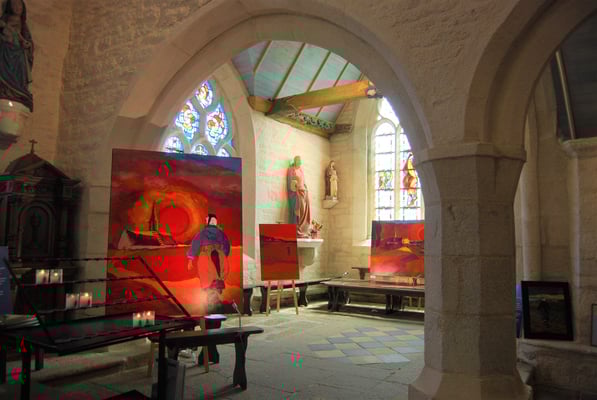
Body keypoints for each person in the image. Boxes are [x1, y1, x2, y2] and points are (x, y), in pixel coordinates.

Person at [0, 0, 33, 112]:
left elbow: (26, 39)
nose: (17, 7)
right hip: (5, 50)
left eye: (19, 5)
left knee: (20, 67)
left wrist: (27, 45)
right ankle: (5, 90)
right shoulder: (4, 20)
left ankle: (16, 92)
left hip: (18, 54)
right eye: (14, 4)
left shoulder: (23, 25)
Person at [187, 213, 230, 298]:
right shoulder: (221, 233)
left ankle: (211, 295)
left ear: (208, 221)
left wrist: (190, 259)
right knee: (219, 273)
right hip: (219, 256)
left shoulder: (202, 233)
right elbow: (226, 246)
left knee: (206, 275)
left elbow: (195, 244)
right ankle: (215, 292)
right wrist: (223, 255)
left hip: (206, 256)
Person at [287, 155, 311, 238]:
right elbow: (290, 183)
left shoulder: (301, 170)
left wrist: (306, 189)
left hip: (303, 191)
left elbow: (304, 181)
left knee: (306, 206)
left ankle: (303, 229)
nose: (300, 162)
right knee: (300, 207)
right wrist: (295, 188)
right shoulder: (291, 170)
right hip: (296, 192)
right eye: (298, 160)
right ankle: (297, 229)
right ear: (295, 161)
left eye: (300, 161)